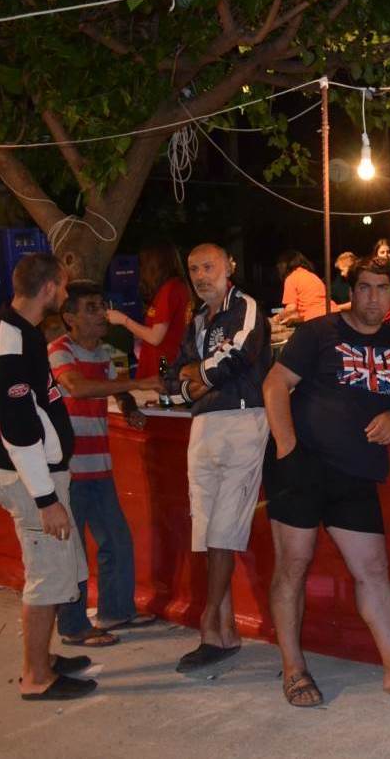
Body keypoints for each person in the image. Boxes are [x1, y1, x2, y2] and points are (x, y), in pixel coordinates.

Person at [262, 256, 390, 706]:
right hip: (301, 466)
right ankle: (294, 669)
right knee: (293, 565)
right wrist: (287, 450)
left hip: (355, 472)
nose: (373, 298)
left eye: (382, 289)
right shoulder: (318, 333)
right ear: (352, 290)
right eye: (364, 287)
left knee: (374, 569)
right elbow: (274, 385)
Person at [0, 253, 95, 700]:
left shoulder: (23, 331)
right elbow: (18, 428)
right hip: (30, 480)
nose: (65, 294)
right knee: (46, 578)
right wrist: (46, 499)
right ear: (47, 288)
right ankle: (36, 677)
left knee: (57, 571)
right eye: (62, 286)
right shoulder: (10, 341)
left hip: (39, 476)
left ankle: (42, 658)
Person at [170, 243, 273, 672]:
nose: (200, 275)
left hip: (243, 420)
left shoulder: (245, 307)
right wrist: (193, 382)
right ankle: (224, 631)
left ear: (229, 266)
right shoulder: (197, 320)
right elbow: (175, 377)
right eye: (193, 268)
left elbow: (237, 355)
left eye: (208, 266)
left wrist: (198, 377)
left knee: (223, 531)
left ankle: (210, 622)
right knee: (207, 530)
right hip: (203, 426)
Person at [50, 281, 162, 646]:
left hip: (98, 466)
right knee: (73, 550)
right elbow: (78, 387)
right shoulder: (59, 351)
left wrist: (130, 408)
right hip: (67, 470)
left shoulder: (106, 353)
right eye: (91, 308)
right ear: (70, 318)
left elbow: (118, 389)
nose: (101, 314)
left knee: (116, 539)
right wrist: (140, 382)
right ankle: (72, 626)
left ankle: (115, 611)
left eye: (102, 306)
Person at [107, 243, 190, 379]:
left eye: (143, 264)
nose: (141, 270)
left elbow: (155, 338)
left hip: (163, 365)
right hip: (162, 362)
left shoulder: (170, 289)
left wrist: (123, 320)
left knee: (160, 391)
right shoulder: (173, 287)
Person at [272, 250, 328, 325]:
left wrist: (278, 317)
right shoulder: (312, 275)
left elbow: (291, 308)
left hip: (317, 320)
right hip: (331, 315)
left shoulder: (291, 278)